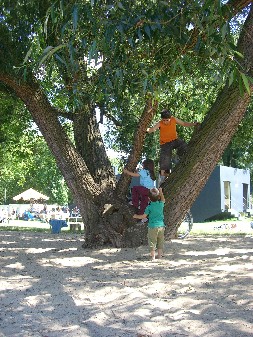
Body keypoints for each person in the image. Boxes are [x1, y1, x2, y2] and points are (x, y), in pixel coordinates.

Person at [146, 109, 199, 177]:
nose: (165, 122)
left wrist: (193, 124)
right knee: (165, 159)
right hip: (165, 144)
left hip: (174, 140)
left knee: (183, 145)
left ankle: (177, 157)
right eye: (163, 120)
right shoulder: (160, 123)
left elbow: (184, 123)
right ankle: (164, 174)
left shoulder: (174, 119)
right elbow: (152, 129)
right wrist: (145, 129)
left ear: (170, 118)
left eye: (167, 120)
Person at [133, 187, 165, 261]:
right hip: (161, 226)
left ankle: (152, 256)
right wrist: (160, 191)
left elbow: (144, 216)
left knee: (152, 241)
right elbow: (163, 199)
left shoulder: (149, 207)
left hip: (153, 226)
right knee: (160, 241)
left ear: (148, 198)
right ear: (159, 196)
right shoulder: (161, 204)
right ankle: (159, 255)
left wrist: (136, 216)